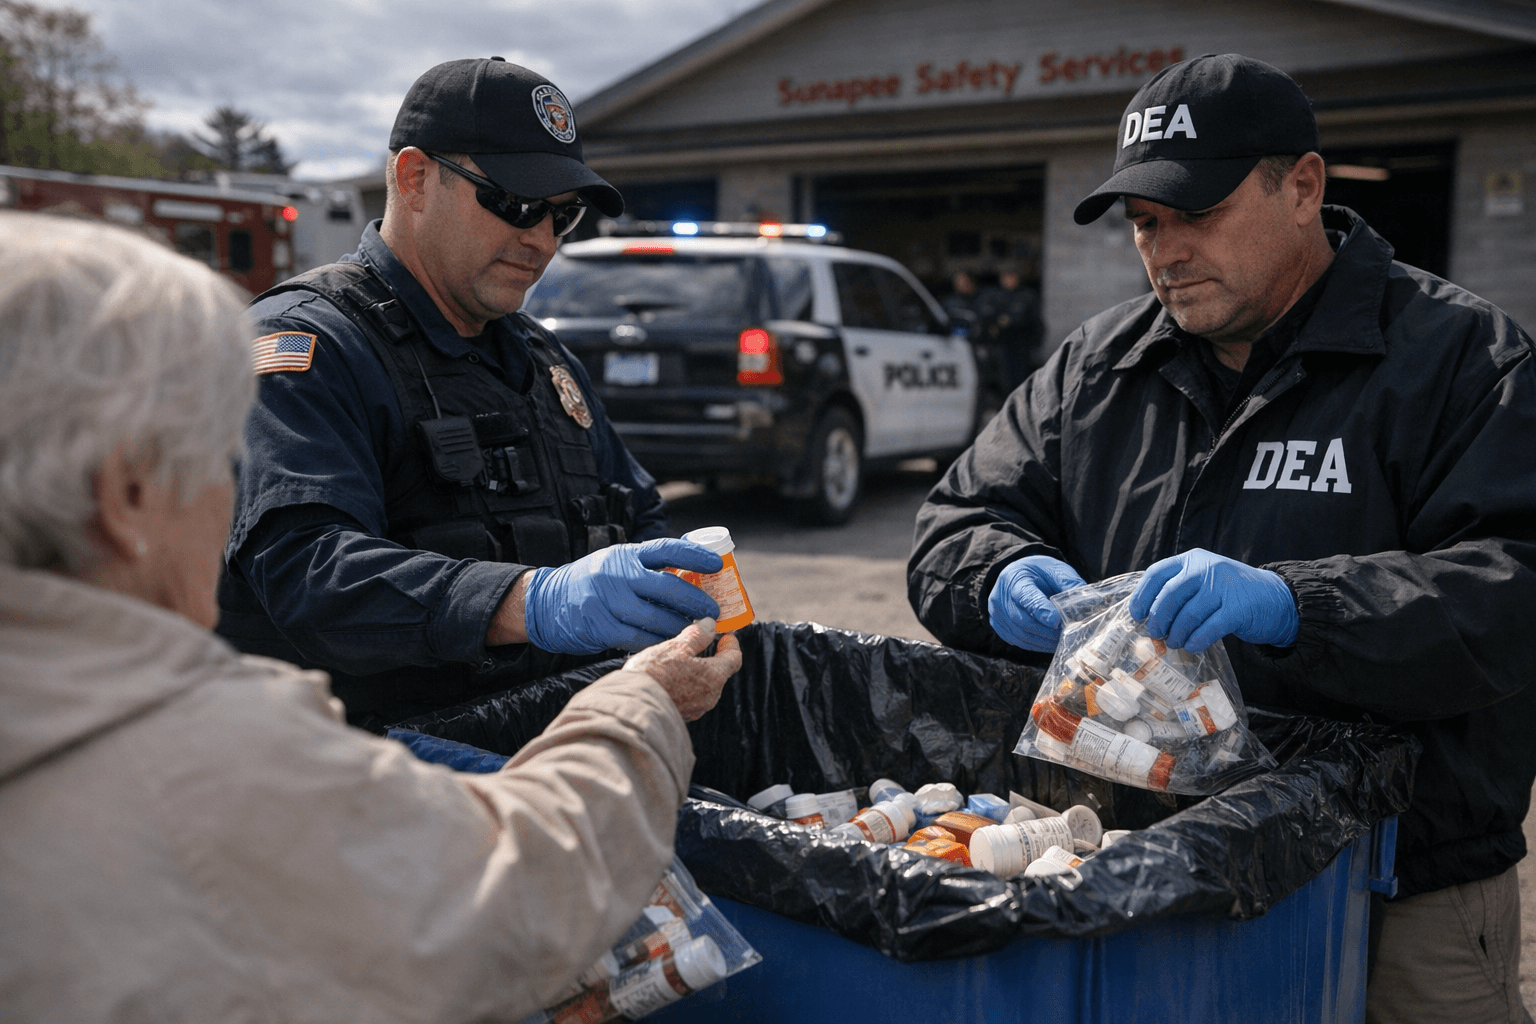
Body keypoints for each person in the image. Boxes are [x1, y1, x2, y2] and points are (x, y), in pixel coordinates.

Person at [908, 54, 1536, 1023]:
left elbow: (1512, 590)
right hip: (1149, 882)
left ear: (1303, 188)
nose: (1164, 251)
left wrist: (1297, 608)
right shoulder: (1097, 372)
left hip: (1404, 889)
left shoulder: (1461, 364)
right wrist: (997, 575)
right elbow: (953, 525)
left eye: (1194, 213)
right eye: (1144, 223)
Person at [0, 212, 743, 1021]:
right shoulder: (200, 761)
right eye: (215, 460)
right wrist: (639, 699)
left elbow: (631, 504)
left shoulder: (536, 351)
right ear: (126, 498)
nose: (228, 504)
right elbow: (523, 896)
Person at [217, 57, 724, 730]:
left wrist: (672, 612)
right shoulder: (311, 346)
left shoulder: (543, 357)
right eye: (514, 203)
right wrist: (531, 601)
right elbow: (309, 574)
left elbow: (638, 514)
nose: (540, 239)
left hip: (551, 757)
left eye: (562, 216)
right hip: (370, 778)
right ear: (414, 178)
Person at [976, 269, 1045, 389]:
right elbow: (986, 318)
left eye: (1012, 276)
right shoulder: (994, 295)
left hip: (1021, 346)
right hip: (1000, 345)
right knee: (1001, 379)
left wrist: (1034, 343)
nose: (1009, 280)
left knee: (1020, 380)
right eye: (1006, 276)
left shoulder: (1027, 296)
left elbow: (1035, 322)